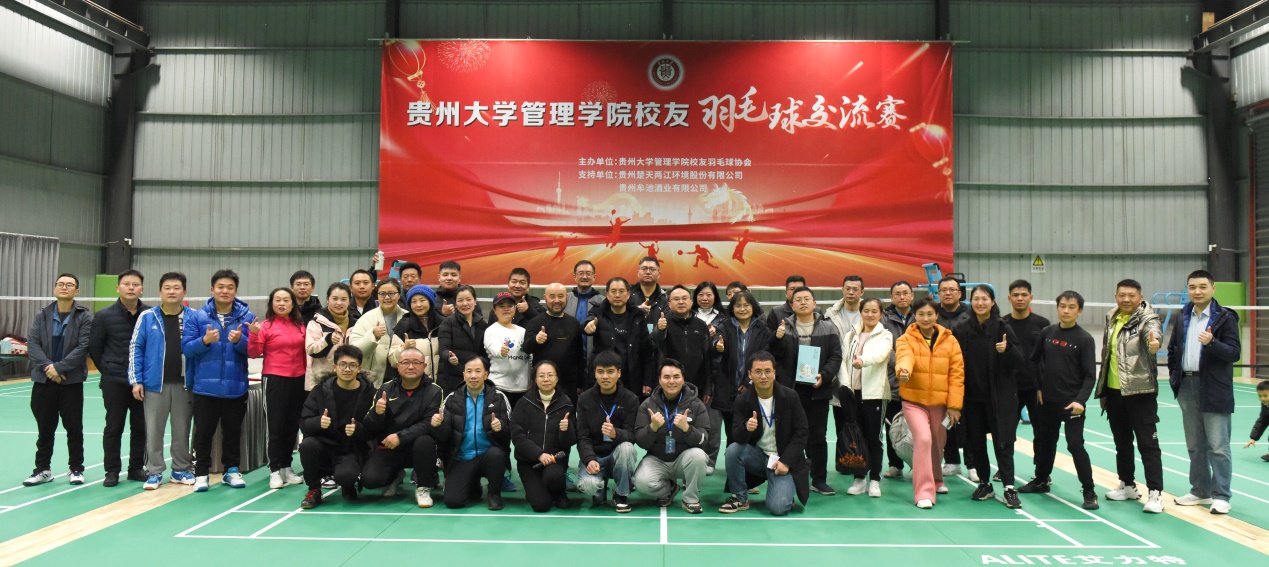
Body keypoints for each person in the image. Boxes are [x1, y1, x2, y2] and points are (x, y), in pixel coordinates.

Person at [1167, 269, 1240, 515]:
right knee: (1195, 444)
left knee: (1218, 446)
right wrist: (1175, 377)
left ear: (1213, 288)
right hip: (1187, 386)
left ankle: (1221, 496)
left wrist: (1212, 343)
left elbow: (1234, 353)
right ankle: (1200, 490)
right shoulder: (1183, 315)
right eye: (1192, 287)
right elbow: (1173, 349)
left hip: (1214, 387)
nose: (1197, 291)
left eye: (1202, 287)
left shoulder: (1225, 318)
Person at [1021, 291, 1098, 510]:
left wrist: (1080, 401)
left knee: (1075, 444)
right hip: (1047, 402)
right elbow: (1034, 361)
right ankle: (1041, 480)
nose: (1066, 311)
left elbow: (1090, 376)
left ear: (1079, 311)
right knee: (1046, 442)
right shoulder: (1047, 332)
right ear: (1057, 308)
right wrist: (1038, 387)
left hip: (1072, 404)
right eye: (1062, 306)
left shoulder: (1084, 339)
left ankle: (1089, 490)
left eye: (1071, 307)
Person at [1094, 279, 1165, 513]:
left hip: (1140, 392)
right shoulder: (1112, 317)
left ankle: (1155, 493)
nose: (1126, 299)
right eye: (1122, 295)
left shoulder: (1148, 318)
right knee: (1122, 442)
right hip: (1114, 392)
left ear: (1140, 297)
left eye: (1131, 296)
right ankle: (1127, 485)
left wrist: (1154, 344)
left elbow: (1154, 334)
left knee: (1148, 445)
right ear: (1116, 296)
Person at [183, 269, 255, 492]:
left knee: (233, 433)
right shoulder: (197, 317)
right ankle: (201, 473)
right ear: (212, 289)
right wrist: (204, 341)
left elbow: (254, 351)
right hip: (205, 388)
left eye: (230, 287)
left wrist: (240, 341)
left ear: (236, 291)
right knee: (203, 434)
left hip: (236, 387)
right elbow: (186, 349)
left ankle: (231, 470)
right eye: (221, 287)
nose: (225, 291)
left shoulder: (248, 318)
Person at [953, 285, 1023, 509]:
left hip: (1000, 399)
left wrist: (1007, 350)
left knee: (1003, 443)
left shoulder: (1003, 327)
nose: (980, 303)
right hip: (973, 399)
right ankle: (985, 483)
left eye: (985, 299)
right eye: (976, 299)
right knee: (976, 443)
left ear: (992, 302)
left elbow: (1019, 361)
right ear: (970, 302)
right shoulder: (963, 329)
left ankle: (1009, 487)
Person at [23, 273, 93, 487]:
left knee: (74, 428)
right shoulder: (42, 315)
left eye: (69, 284)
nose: (64, 287)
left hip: (71, 382)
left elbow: (83, 347)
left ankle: (76, 468)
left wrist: (59, 368)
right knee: (45, 428)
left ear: (76, 291)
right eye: (60, 284)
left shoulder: (84, 316)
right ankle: (43, 469)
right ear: (55, 289)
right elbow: (33, 344)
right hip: (44, 380)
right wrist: (48, 368)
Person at [128, 272, 197, 490]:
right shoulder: (147, 317)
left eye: (176, 288)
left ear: (184, 292)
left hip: (185, 384)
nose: (172, 292)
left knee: (182, 430)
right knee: (153, 431)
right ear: (160, 292)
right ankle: (154, 471)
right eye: (167, 288)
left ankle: (181, 469)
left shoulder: (195, 316)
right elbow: (136, 347)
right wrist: (136, 380)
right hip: (154, 385)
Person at [771, 286, 842, 496]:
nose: (803, 302)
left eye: (806, 299)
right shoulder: (784, 327)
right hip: (790, 392)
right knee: (789, 435)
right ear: (791, 305)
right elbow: (775, 356)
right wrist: (777, 339)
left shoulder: (828, 327)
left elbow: (836, 356)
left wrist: (825, 376)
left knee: (818, 436)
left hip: (818, 390)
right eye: (798, 299)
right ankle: (792, 475)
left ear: (814, 303)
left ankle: (819, 479)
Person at [719, 351, 809, 515]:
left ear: (774, 372)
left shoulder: (790, 397)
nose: (763, 376)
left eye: (767, 371)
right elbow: (736, 436)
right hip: (758, 457)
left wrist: (786, 462)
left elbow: (801, 433)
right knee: (732, 450)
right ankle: (740, 498)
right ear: (750, 374)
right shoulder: (742, 400)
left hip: (782, 460)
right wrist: (746, 428)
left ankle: (785, 492)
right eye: (758, 372)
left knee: (778, 508)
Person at [896, 296, 965, 509]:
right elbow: (904, 357)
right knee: (924, 439)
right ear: (914, 316)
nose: (925, 318)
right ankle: (924, 492)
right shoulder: (905, 339)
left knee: (937, 443)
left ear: (937, 315)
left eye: (930, 314)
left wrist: (954, 406)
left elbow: (957, 374)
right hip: (913, 402)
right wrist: (903, 370)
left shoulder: (950, 340)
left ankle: (937, 479)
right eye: (921, 314)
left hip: (940, 404)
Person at [359, 347, 445, 506]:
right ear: (398, 366)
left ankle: (423, 487)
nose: (411, 367)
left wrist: (401, 437)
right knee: (369, 480)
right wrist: (377, 414)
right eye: (405, 362)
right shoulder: (385, 389)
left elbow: (428, 423)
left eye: (416, 363)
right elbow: (369, 427)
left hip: (417, 447)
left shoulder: (434, 390)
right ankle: (395, 476)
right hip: (389, 446)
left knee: (425, 441)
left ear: (424, 366)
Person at [88, 270, 148, 487]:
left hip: (142, 381)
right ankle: (112, 471)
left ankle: (136, 468)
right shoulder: (104, 316)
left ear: (142, 289)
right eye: (126, 284)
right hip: (114, 381)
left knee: (140, 427)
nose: (131, 288)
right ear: (118, 288)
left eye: (135, 284)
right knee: (114, 427)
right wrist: (108, 369)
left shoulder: (150, 315)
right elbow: (95, 348)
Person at [298, 345, 377, 509]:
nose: (347, 369)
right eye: (343, 364)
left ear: (359, 369)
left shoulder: (370, 393)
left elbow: (376, 429)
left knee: (346, 476)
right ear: (334, 367)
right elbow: (304, 423)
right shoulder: (320, 391)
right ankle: (314, 490)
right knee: (307, 445)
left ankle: (348, 484)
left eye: (352, 365)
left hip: (352, 449)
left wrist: (359, 430)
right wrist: (318, 422)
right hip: (325, 446)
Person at [248, 287, 309, 490]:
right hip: (274, 379)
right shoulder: (265, 326)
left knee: (292, 426)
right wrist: (253, 335)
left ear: (292, 304)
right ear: (271, 303)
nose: (282, 304)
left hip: (298, 380)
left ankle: (286, 467)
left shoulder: (300, 326)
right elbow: (253, 353)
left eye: (286, 300)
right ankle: (274, 469)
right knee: (275, 427)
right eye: (278, 300)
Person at [633, 359, 712, 513]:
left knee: (699, 456)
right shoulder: (647, 405)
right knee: (640, 482)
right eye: (666, 377)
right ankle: (669, 488)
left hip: (684, 460)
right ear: (659, 380)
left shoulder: (696, 405)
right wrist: (652, 428)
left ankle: (690, 499)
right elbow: (640, 441)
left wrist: (687, 429)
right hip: (657, 459)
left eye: (676, 377)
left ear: (683, 379)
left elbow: (704, 440)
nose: (671, 381)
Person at [436, 357, 513, 509]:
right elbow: (444, 437)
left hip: (488, 457)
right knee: (453, 501)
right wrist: (437, 426)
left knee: (496, 454)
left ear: (486, 374)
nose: (473, 376)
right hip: (462, 458)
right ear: (463, 375)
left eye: (478, 371)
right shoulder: (452, 399)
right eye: (469, 371)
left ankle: (494, 493)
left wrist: (501, 428)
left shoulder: (499, 397)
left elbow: (510, 432)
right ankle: (473, 485)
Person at [653, 285, 716, 470]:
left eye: (684, 298)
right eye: (676, 299)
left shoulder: (701, 325)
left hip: (698, 386)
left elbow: (707, 358)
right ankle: (671, 464)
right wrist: (659, 330)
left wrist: (708, 388)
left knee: (696, 425)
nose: (681, 302)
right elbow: (654, 345)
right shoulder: (663, 323)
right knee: (672, 426)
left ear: (690, 301)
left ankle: (698, 462)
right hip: (671, 386)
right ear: (669, 303)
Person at [575, 350, 640, 512]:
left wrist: (615, 434)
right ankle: (600, 487)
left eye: (610, 372)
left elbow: (632, 436)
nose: (605, 376)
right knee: (589, 486)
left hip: (617, 457)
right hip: (595, 457)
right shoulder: (584, 399)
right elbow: (582, 437)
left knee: (627, 448)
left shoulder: (631, 399)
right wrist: (589, 459)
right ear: (595, 373)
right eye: (600, 372)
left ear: (619, 373)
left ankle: (621, 494)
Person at [842, 298, 894, 498]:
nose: (870, 315)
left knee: (874, 438)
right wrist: (845, 386)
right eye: (866, 311)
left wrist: (862, 360)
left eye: (874, 311)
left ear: (881, 314)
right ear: (861, 312)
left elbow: (880, 355)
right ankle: (859, 478)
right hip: (853, 394)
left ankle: (875, 479)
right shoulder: (850, 335)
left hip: (875, 395)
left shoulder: (885, 335)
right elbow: (843, 362)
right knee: (857, 437)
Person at [712, 289, 773, 453]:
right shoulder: (724, 326)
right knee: (732, 434)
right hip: (728, 390)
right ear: (732, 308)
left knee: (755, 433)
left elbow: (765, 357)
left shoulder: (763, 330)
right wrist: (717, 347)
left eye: (746, 305)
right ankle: (732, 466)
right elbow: (715, 344)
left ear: (753, 307)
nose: (742, 309)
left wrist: (749, 381)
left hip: (754, 389)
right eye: (738, 305)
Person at [511, 361, 577, 512]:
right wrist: (538, 454)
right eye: (541, 376)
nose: (546, 379)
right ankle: (537, 491)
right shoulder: (524, 403)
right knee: (541, 505)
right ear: (535, 379)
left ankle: (558, 493)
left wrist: (566, 430)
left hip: (555, 461)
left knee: (554, 477)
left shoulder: (567, 405)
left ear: (557, 378)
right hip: (528, 463)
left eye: (550, 375)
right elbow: (517, 436)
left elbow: (570, 442)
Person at [584, 277, 651, 397]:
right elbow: (587, 322)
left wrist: (648, 380)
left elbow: (646, 350)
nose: (617, 295)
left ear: (628, 294)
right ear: (607, 294)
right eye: (613, 291)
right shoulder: (598, 312)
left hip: (632, 377)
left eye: (621, 291)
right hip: (604, 377)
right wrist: (588, 325)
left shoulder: (637, 316)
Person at [935, 276, 973, 478]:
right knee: (945, 421)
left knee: (970, 421)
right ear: (938, 294)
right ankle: (951, 461)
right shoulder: (933, 315)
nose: (948, 293)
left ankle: (973, 464)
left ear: (960, 293)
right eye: (944, 290)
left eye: (952, 290)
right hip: (939, 377)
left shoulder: (971, 315)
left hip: (967, 377)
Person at [879, 281, 916, 479]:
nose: (902, 297)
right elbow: (884, 345)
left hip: (917, 380)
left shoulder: (920, 315)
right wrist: (901, 364)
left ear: (912, 296)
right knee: (892, 425)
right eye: (897, 294)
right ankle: (895, 464)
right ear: (891, 297)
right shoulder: (883, 319)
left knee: (917, 426)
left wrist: (913, 364)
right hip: (892, 380)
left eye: (905, 293)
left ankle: (919, 464)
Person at [523, 283, 586, 396]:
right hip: (543, 384)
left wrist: (580, 384)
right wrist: (536, 340)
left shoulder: (574, 323)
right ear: (545, 298)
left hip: (569, 385)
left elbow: (580, 356)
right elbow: (526, 348)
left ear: (566, 297)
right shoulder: (535, 322)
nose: (557, 300)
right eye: (552, 296)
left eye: (560, 296)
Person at [824, 275, 865, 443]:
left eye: (855, 289)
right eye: (847, 289)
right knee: (842, 426)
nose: (851, 292)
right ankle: (844, 456)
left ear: (862, 292)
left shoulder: (870, 313)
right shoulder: (830, 314)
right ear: (842, 290)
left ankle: (864, 457)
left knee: (864, 427)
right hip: (839, 378)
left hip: (864, 377)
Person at [1005, 280, 1049, 433]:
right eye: (1015, 295)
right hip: (1010, 389)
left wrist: (1042, 386)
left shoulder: (1043, 324)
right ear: (1009, 298)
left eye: (1024, 295)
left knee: (1042, 435)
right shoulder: (1001, 324)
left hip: (1036, 390)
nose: (1020, 298)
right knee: (1006, 435)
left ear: (1031, 297)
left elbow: (1047, 357)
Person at [348, 278, 405, 387]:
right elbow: (354, 351)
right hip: (373, 380)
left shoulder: (407, 317)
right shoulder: (366, 319)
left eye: (391, 293)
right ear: (377, 296)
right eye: (382, 294)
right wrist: (372, 336)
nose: (387, 297)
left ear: (399, 295)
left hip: (403, 378)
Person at [306, 282, 359, 391]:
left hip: (348, 381)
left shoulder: (356, 324)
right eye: (335, 299)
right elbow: (311, 350)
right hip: (321, 382)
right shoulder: (317, 322)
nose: (339, 303)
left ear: (349, 301)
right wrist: (327, 340)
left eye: (343, 299)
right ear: (327, 299)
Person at [484, 291, 531, 409]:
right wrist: (501, 351)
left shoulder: (523, 331)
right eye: (501, 306)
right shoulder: (491, 330)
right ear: (494, 310)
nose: (506, 309)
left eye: (510, 306)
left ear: (515, 308)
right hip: (499, 388)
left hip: (524, 389)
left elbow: (530, 357)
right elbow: (494, 348)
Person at [438, 285, 489, 393]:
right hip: (452, 380)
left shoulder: (483, 325)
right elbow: (443, 349)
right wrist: (449, 357)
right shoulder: (448, 323)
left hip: (475, 380)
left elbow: (485, 354)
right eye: (460, 300)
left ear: (475, 301)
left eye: (468, 299)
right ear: (456, 303)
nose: (465, 304)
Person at [390, 284, 443, 375]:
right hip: (415, 380)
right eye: (414, 301)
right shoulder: (403, 326)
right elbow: (392, 360)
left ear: (430, 301)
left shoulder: (442, 323)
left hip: (442, 380)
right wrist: (403, 348)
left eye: (422, 300)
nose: (418, 305)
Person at [566, 260, 603, 358]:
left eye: (588, 273)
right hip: (568, 355)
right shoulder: (565, 299)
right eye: (581, 273)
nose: (584, 277)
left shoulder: (603, 302)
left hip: (594, 356)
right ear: (574, 277)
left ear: (594, 277)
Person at [631, 256, 669, 323]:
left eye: (652, 269)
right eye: (644, 269)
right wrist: (636, 310)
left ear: (659, 274)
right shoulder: (627, 294)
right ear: (638, 273)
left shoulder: (666, 298)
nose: (648, 272)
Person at [1245, 381, 1269, 462]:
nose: (1262, 398)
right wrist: (1253, 438)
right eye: (1260, 396)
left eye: (1265, 395)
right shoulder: (1265, 405)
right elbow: (1262, 421)